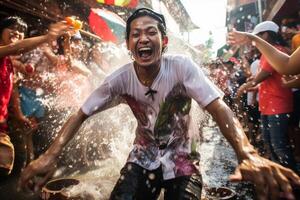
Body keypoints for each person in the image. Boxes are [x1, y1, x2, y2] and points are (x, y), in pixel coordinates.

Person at [19, 9, 300, 199]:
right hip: (141, 159)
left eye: (151, 32)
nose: (143, 38)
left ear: (163, 41)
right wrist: (50, 155)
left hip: (183, 162)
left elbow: (218, 107)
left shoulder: (182, 68)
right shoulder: (119, 79)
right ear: (129, 45)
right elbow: (82, 113)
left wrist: (246, 152)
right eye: (136, 34)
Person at [0, 16, 69, 176]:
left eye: (22, 31)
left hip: (2, 127)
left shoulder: (10, 62)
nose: (17, 32)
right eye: (12, 27)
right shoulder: (6, 53)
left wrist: (18, 115)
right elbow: (16, 48)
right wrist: (48, 37)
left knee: (6, 165)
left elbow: (13, 90)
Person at [235, 21, 297, 172]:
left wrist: (243, 87)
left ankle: (293, 179)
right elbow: (263, 81)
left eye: (258, 37)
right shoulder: (265, 54)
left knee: (279, 146)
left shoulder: (277, 50)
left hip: (278, 105)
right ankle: (281, 177)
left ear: (266, 35)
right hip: (267, 106)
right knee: (270, 144)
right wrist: (253, 87)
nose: (256, 42)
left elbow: (261, 76)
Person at [228, 25, 300, 75]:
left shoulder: (276, 50)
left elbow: (287, 66)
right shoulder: (268, 52)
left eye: (258, 35)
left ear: (265, 34)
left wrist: (252, 38)